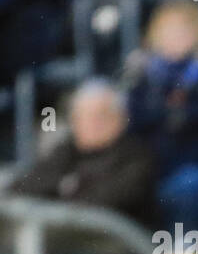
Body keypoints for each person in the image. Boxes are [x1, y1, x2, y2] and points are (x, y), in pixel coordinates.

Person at [124, 0, 198, 226]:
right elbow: (135, 125)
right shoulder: (141, 79)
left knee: (189, 186)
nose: (175, 37)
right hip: (152, 167)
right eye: (168, 31)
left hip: (196, 165)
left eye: (182, 30)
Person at [7, 79, 154, 222]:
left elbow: (105, 202)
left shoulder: (135, 157)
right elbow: (27, 185)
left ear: (121, 119)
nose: (92, 124)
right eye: (82, 117)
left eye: (101, 116)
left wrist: (60, 193)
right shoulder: (66, 149)